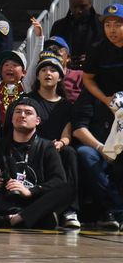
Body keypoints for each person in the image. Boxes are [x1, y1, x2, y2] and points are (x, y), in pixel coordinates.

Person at [0, 97, 73, 229]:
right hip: (6, 199)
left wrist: (30, 191)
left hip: (35, 198)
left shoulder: (47, 147)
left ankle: (11, 219)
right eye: (18, 112)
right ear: (12, 118)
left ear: (38, 121)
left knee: (68, 189)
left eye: (28, 112)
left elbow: (58, 180)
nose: (22, 115)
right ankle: (32, 217)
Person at [72, 3, 123, 229]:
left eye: (118, 25)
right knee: (88, 155)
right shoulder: (98, 49)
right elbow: (88, 78)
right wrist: (105, 100)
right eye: (108, 25)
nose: (112, 29)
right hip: (107, 124)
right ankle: (116, 209)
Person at [27, 50, 81, 228]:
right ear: (37, 76)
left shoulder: (66, 105)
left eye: (52, 70)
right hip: (34, 147)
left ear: (60, 77)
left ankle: (70, 210)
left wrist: (61, 142)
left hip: (57, 147)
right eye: (43, 70)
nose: (48, 73)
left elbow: (67, 132)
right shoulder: (28, 100)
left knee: (70, 153)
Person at [49, 0, 103, 70]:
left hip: (95, 74)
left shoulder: (103, 24)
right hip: (66, 75)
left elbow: (110, 51)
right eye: (74, 7)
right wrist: (65, 59)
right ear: (70, 4)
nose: (78, 11)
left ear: (90, 3)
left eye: (83, 6)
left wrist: (93, 58)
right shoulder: (58, 26)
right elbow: (51, 53)